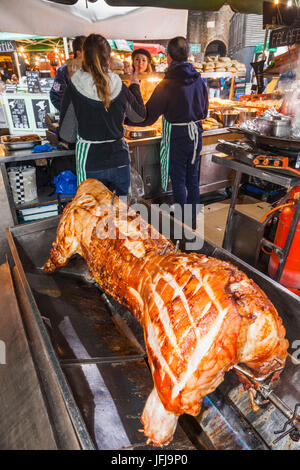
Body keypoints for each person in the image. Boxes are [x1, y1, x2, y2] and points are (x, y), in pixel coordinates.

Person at [126, 36, 208, 229]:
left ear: (169, 57)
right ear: (188, 55)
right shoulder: (198, 80)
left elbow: (147, 116)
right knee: (192, 178)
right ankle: (193, 223)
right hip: (196, 133)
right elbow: (204, 111)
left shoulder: (167, 84)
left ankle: (182, 225)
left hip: (178, 136)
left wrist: (127, 117)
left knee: (178, 180)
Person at [59, 33, 146, 196]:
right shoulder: (119, 85)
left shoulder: (74, 86)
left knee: (92, 216)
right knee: (120, 216)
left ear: (83, 57)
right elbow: (139, 116)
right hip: (119, 162)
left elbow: (67, 135)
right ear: (108, 59)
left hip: (91, 162)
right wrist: (135, 85)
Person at [50, 35, 86, 111]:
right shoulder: (63, 71)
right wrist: (70, 112)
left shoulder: (93, 69)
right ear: (79, 53)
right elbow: (56, 96)